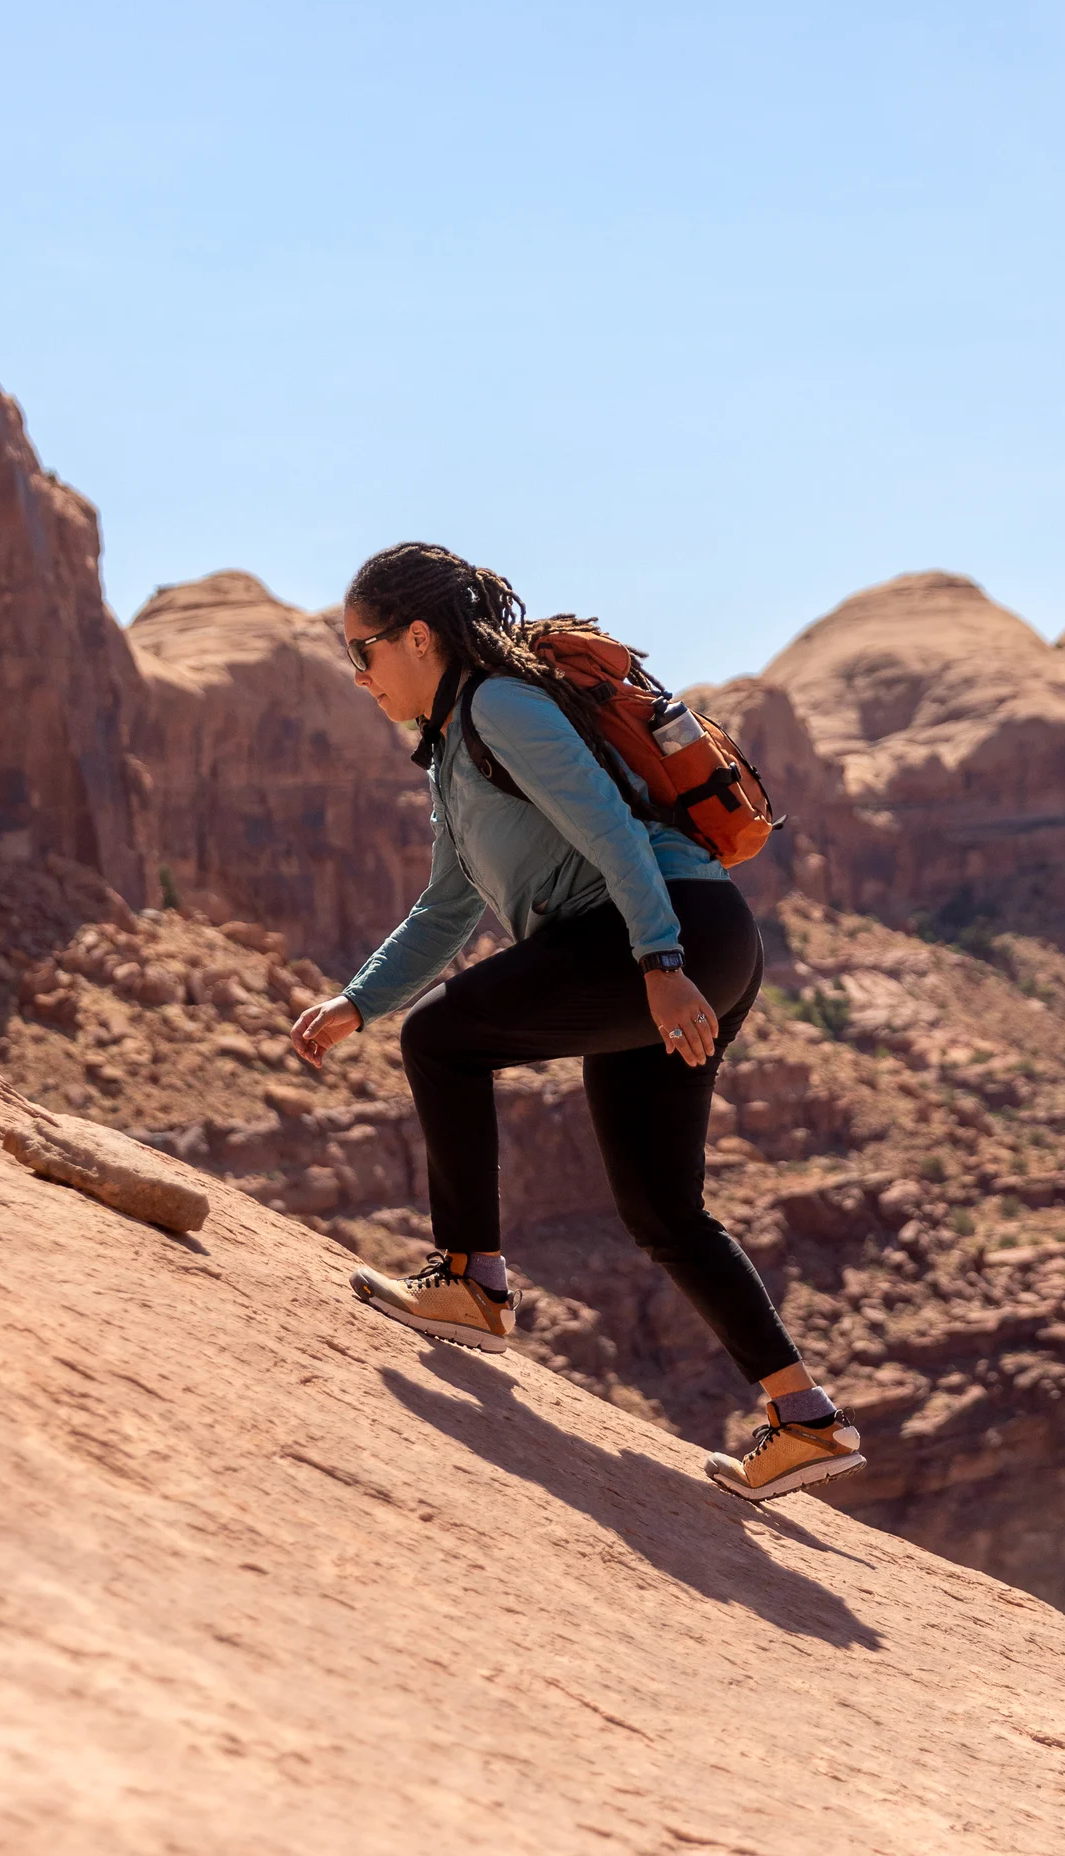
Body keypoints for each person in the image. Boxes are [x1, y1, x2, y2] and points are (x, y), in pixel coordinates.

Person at [289, 541, 863, 1503]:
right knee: (661, 1209)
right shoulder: (450, 747)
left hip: (666, 936)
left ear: (418, 637)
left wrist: (661, 963)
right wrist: (359, 1000)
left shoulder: (499, 706)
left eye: (364, 650)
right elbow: (447, 907)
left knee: (442, 1040)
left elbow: (610, 829)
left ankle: (471, 1281)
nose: (359, 675)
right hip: (681, 941)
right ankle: (805, 1418)